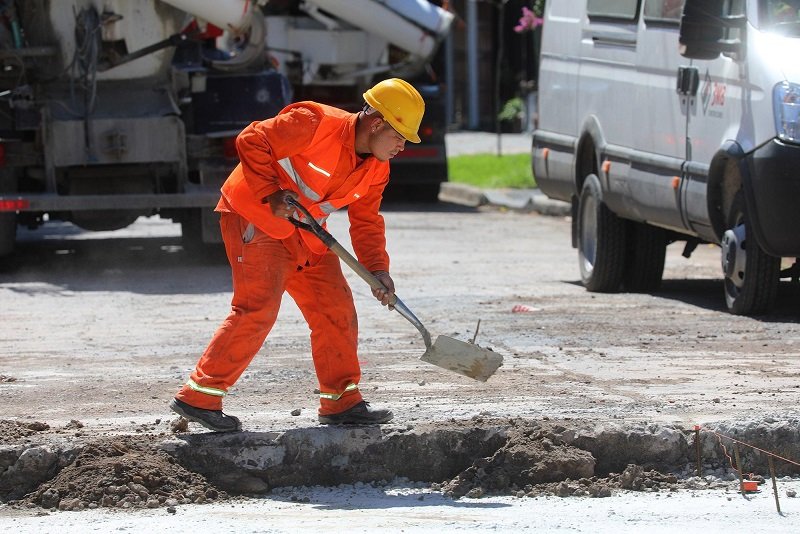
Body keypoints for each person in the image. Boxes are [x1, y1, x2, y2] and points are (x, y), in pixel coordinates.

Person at [169, 78, 425, 432]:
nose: (401, 146)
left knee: (335, 307)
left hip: (306, 233)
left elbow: (366, 222)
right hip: (257, 218)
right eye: (399, 136)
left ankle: (341, 402)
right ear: (377, 123)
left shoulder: (377, 168)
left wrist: (378, 270)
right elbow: (251, 139)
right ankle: (198, 398)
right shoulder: (315, 122)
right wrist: (270, 191)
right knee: (257, 309)